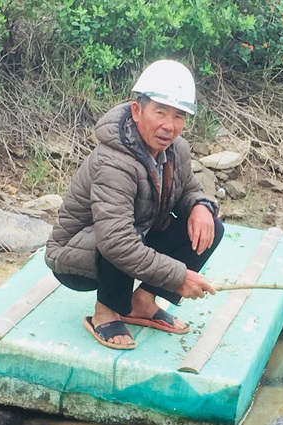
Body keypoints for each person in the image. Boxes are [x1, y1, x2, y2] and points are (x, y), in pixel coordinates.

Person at [45, 59, 224, 350]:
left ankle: (141, 302)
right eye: (160, 112)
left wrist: (202, 206)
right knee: (124, 237)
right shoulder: (114, 162)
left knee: (210, 226)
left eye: (179, 116)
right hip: (76, 255)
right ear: (137, 111)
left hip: (129, 235)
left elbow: (189, 189)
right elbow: (116, 241)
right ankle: (105, 311)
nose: (169, 125)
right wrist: (178, 277)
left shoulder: (175, 148)